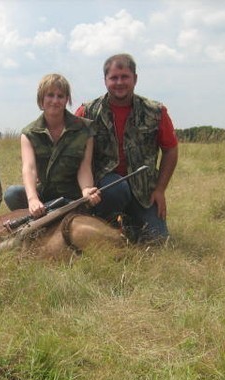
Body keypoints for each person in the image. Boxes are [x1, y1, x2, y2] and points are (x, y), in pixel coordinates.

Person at [76, 53, 178, 243]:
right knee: (117, 188)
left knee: (158, 241)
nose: (119, 82)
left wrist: (160, 190)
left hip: (143, 192)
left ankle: (130, 224)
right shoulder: (87, 113)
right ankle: (105, 224)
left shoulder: (155, 112)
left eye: (125, 77)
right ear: (105, 80)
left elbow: (171, 149)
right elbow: (73, 152)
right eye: (113, 78)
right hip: (105, 190)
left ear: (135, 79)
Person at [4, 73, 100, 218]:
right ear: (41, 99)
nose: (55, 101)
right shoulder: (29, 133)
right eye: (50, 95)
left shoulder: (84, 129)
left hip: (72, 198)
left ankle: (50, 216)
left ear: (67, 99)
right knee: (12, 194)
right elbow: (29, 169)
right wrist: (32, 199)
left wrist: (87, 190)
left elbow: (84, 167)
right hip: (44, 196)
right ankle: (42, 214)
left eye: (60, 96)